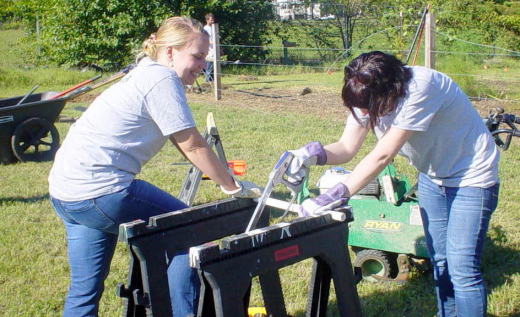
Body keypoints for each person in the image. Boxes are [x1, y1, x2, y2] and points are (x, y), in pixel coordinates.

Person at [48, 16, 261, 317]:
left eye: (205, 57)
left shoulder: (144, 73)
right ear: (170, 52)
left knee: (84, 292)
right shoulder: (161, 79)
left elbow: (180, 138)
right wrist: (233, 186)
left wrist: (223, 177)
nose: (202, 65)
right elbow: (192, 144)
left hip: (66, 193)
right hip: (101, 191)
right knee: (190, 233)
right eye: (197, 56)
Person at [286, 51, 500, 317]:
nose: (363, 114)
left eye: (367, 108)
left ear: (390, 92)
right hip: (433, 178)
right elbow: (346, 147)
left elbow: (383, 154)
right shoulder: (366, 91)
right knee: (441, 260)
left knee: (462, 268)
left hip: (472, 177)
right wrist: (310, 153)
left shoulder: (421, 88)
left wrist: (336, 194)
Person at [202, 13, 215, 82]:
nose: (212, 21)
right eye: (211, 20)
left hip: (214, 49)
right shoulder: (205, 28)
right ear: (207, 20)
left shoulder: (213, 28)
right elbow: (206, 40)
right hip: (209, 50)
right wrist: (213, 43)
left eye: (213, 20)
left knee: (212, 66)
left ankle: (210, 79)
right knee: (208, 66)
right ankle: (207, 80)